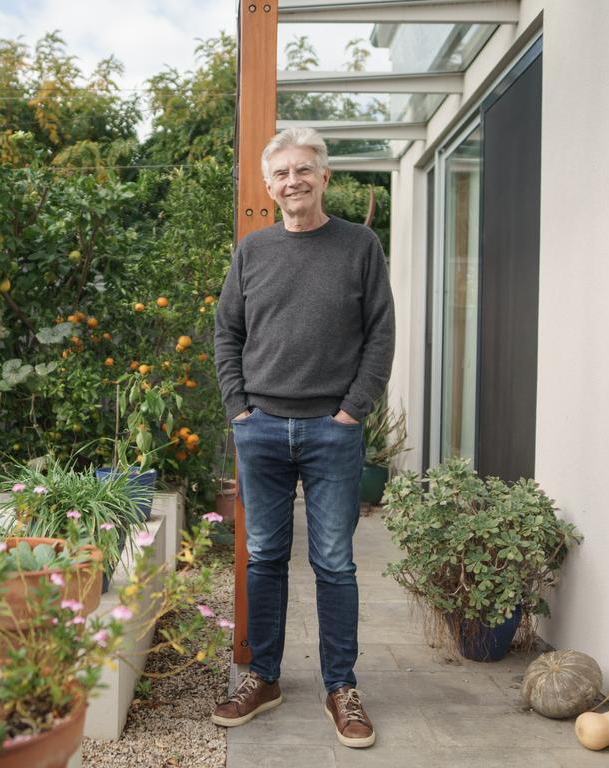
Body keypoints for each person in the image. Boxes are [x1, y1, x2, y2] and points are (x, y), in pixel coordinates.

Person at [210, 127, 395, 749]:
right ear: (269, 186)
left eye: (303, 170)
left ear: (324, 176)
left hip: (331, 432)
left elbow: (380, 335)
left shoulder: (359, 245)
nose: (293, 181)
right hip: (259, 427)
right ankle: (262, 676)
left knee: (335, 563)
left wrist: (352, 410)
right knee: (264, 557)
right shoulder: (252, 251)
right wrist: (239, 409)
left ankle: (340, 686)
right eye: (282, 173)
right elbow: (226, 334)